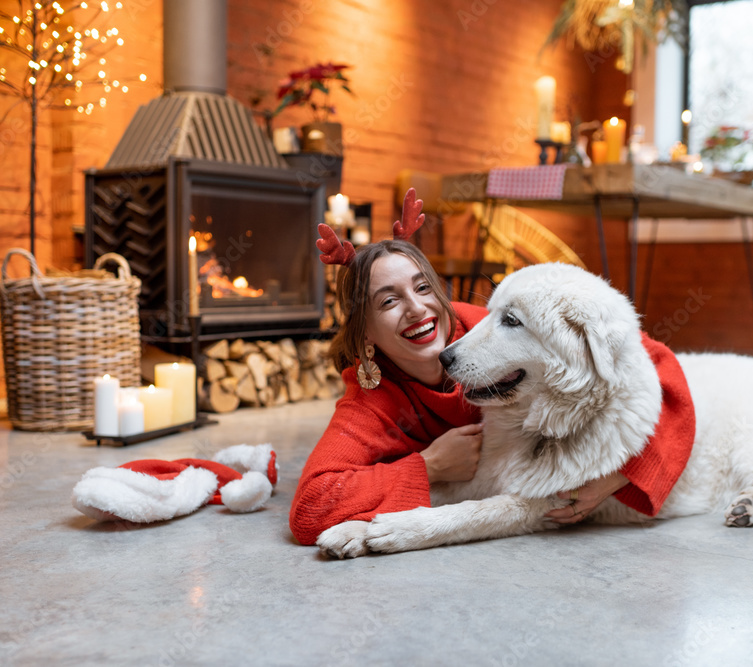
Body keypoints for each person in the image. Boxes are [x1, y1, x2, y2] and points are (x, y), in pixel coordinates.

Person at [288, 190, 693, 546]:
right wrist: (429, 466)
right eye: (388, 301)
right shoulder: (372, 401)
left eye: (423, 287)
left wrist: (620, 476)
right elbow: (310, 509)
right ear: (366, 337)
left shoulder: (479, 325)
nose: (416, 309)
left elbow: (650, 360)